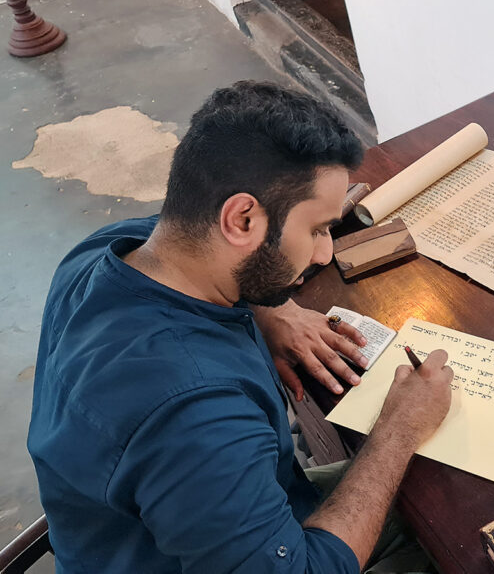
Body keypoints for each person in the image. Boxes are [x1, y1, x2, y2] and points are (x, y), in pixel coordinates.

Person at [27, 81, 454, 573]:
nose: (324, 253)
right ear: (242, 219)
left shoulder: (110, 248)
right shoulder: (195, 417)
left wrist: (270, 308)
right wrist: (397, 431)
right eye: (316, 229)